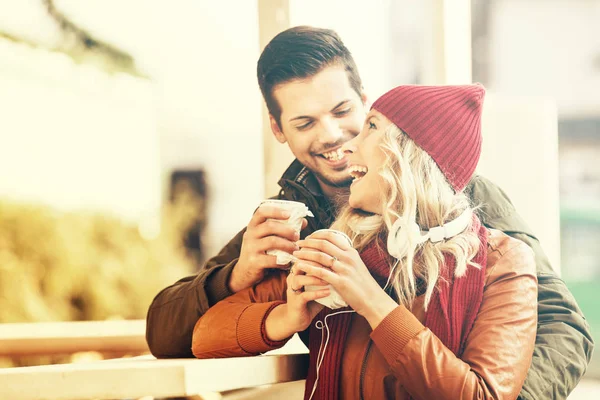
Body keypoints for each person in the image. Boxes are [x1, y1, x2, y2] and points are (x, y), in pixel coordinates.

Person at [146, 26, 593, 399]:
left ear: (365, 99)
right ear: (278, 130)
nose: (334, 135)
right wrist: (237, 274)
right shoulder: (295, 223)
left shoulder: (467, 198)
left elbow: (562, 326)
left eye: (343, 111)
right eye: (304, 123)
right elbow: (168, 332)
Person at [192, 83, 538, 399]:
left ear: (412, 153)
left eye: (371, 126)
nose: (350, 143)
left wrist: (371, 301)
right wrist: (287, 316)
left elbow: (483, 395)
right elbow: (204, 335)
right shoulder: (340, 247)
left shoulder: (503, 262)